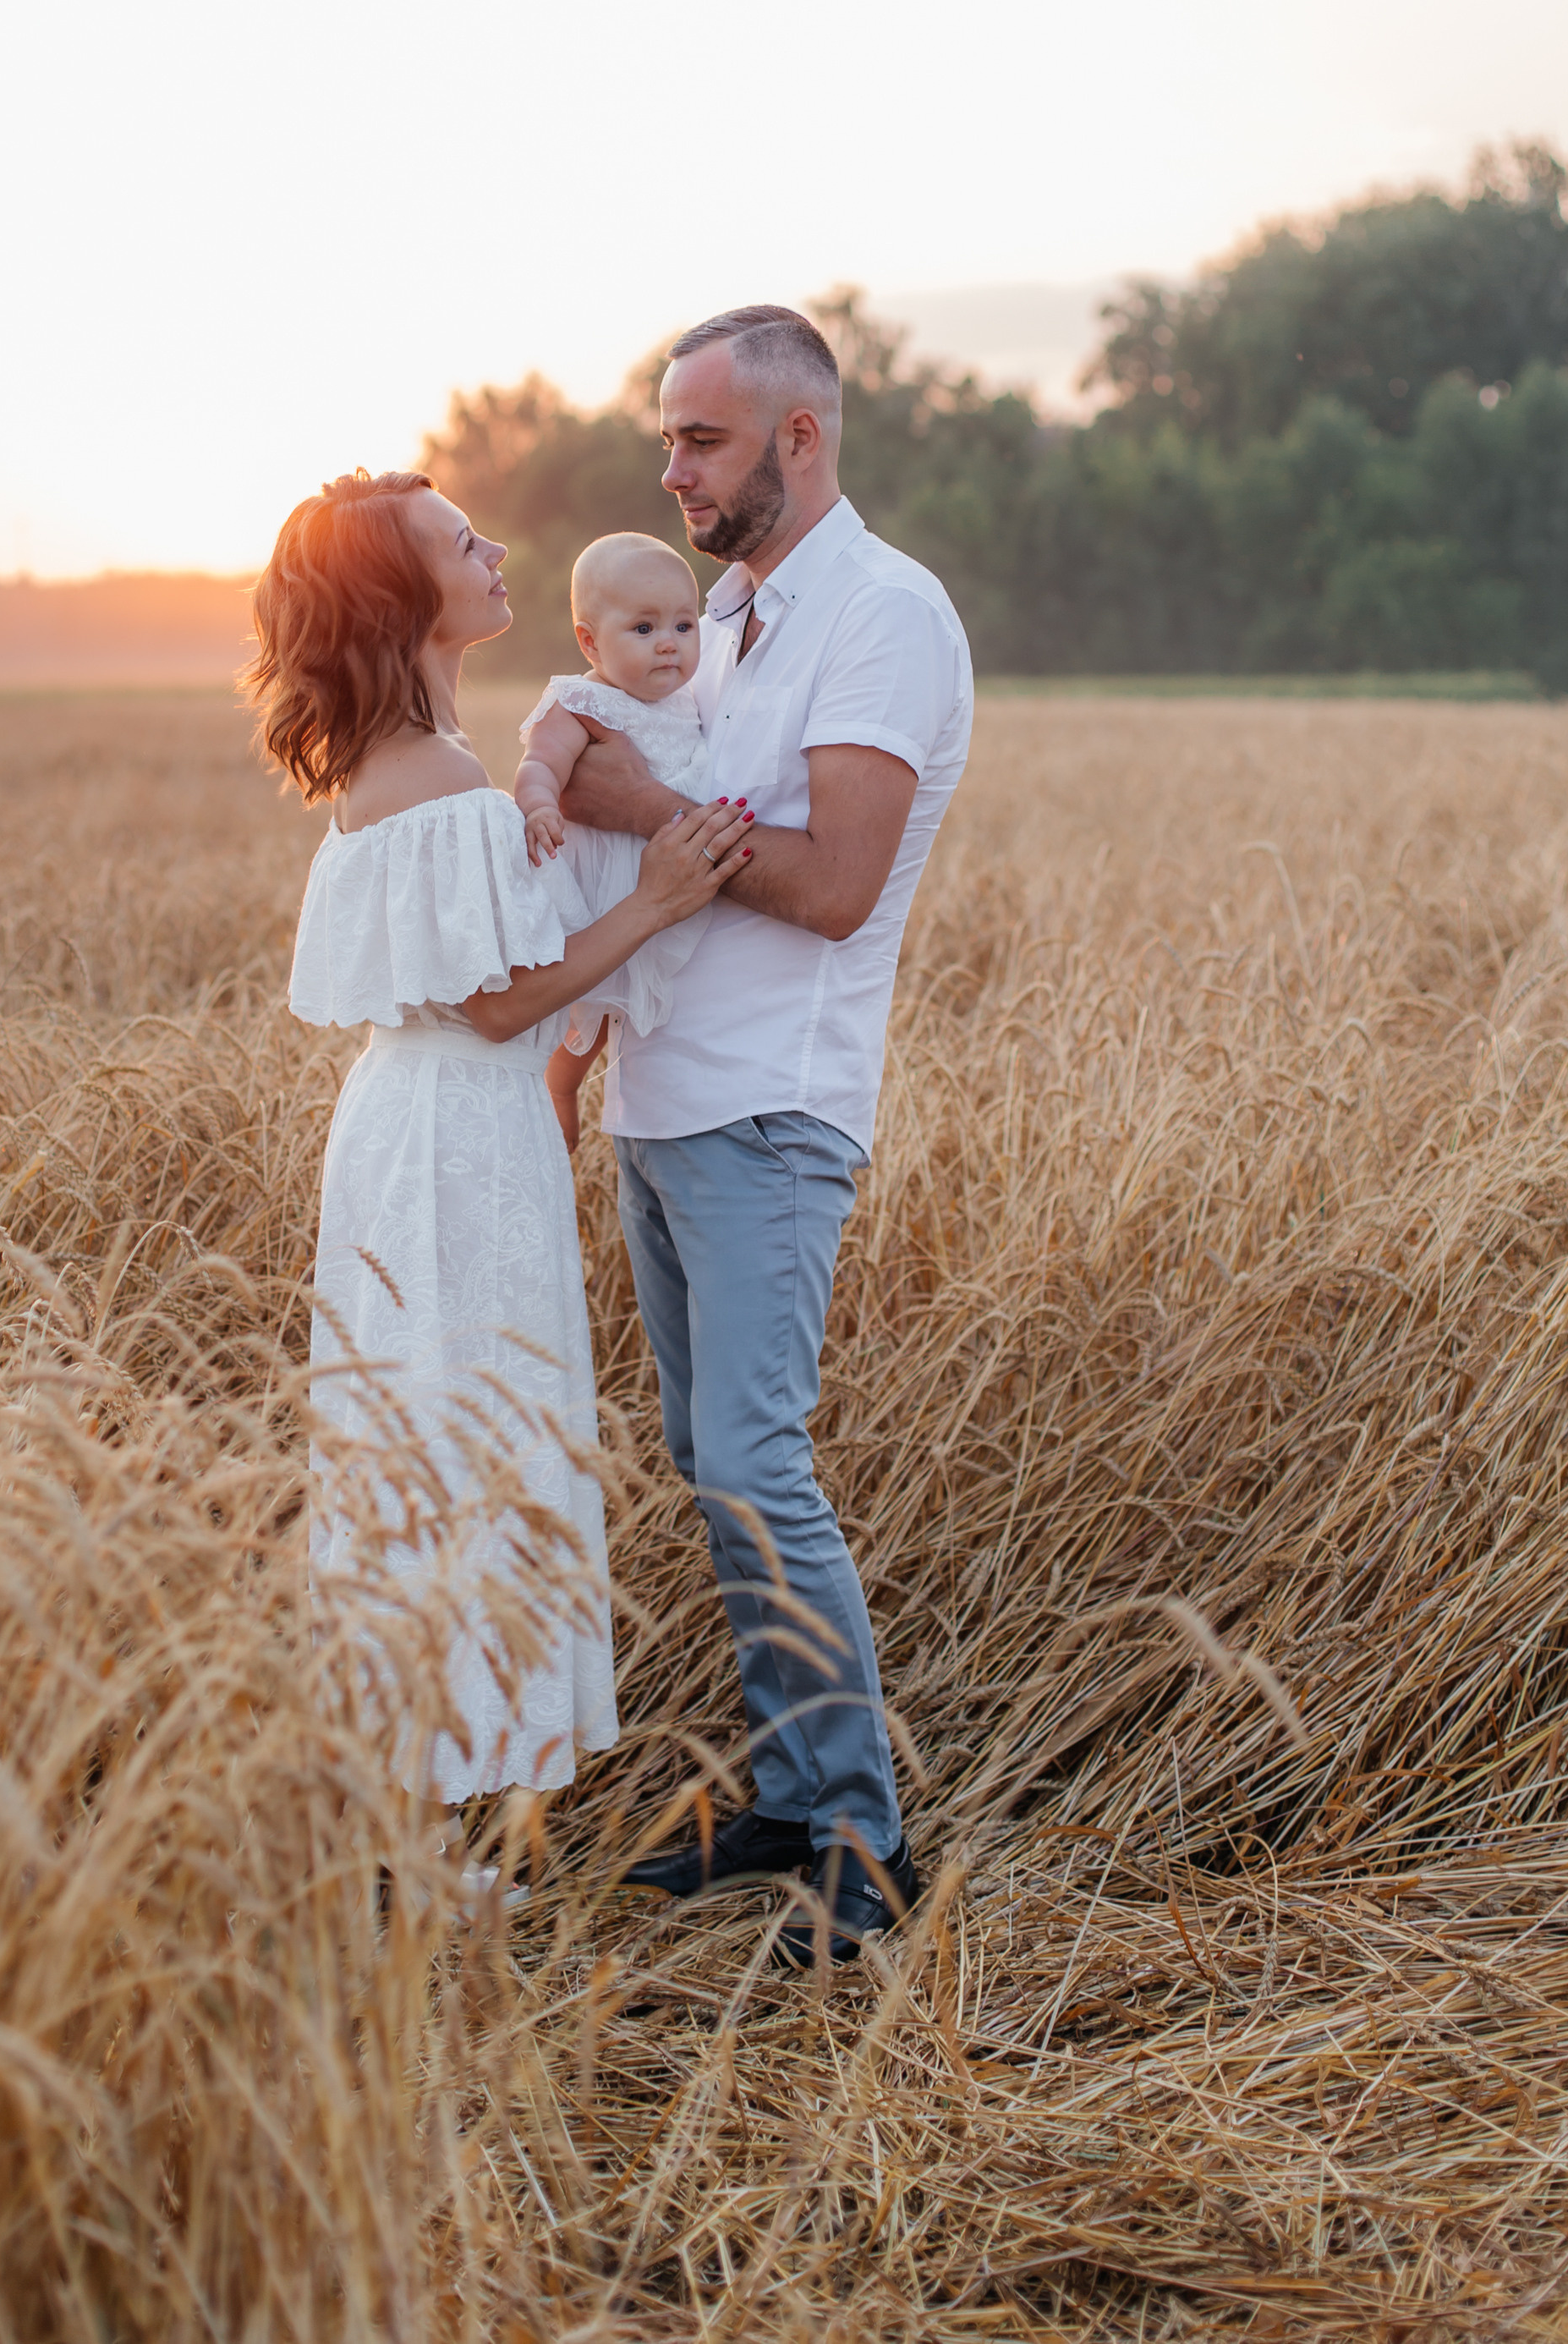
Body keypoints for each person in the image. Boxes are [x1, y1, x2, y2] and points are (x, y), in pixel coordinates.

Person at [556, 306, 973, 1967]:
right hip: (665, 1102)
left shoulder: (880, 614)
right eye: (665, 438)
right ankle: (793, 1800)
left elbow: (826, 883)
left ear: (798, 440)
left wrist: (635, 810)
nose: (668, 471)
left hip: (770, 1110)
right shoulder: (715, 613)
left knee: (748, 1455)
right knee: (709, 1463)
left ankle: (860, 1839)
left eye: (698, 441)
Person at [248, 469, 748, 1845]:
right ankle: (441, 1823)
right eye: (459, 544)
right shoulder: (436, 772)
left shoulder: (415, 755)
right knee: (460, 1442)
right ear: (403, 596)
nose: (493, 550)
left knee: (437, 1436)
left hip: (433, 1126)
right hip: (451, 1125)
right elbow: (496, 997)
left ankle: (430, 1811)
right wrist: (656, 898)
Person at [512, 531, 715, 1150]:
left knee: (625, 1006)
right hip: (595, 891)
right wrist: (539, 807)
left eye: (684, 626)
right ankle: (559, 1088)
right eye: (644, 628)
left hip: (655, 888)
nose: (668, 645)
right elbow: (537, 765)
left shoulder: (691, 704)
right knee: (584, 1004)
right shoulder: (581, 702)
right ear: (589, 641)